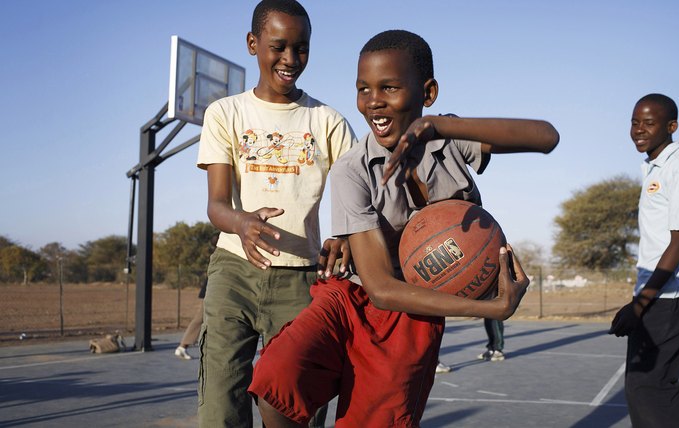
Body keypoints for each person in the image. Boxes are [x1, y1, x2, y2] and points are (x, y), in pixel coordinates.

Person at [249, 29, 559, 427]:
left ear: (427, 93)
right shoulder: (352, 169)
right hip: (352, 296)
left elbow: (546, 136)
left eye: (389, 87)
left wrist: (443, 126)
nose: (373, 101)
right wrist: (490, 308)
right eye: (363, 89)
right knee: (278, 379)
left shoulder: (450, 142)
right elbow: (378, 287)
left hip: (413, 313)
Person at [195, 1, 356, 426]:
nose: (290, 59)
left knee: (294, 405)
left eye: (300, 49)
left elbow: (355, 196)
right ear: (253, 44)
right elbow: (216, 205)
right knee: (220, 403)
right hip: (234, 270)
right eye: (278, 46)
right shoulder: (225, 113)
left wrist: (343, 236)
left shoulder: (328, 122)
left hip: (303, 276)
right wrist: (242, 221)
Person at [608, 93, 679, 427]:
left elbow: (678, 243)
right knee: (645, 386)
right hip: (659, 291)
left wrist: (639, 306)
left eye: (649, 123)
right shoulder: (656, 166)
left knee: (649, 387)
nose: (639, 129)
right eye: (635, 122)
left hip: (672, 294)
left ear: (671, 126)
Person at [174, 280, 206, 360]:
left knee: (201, 317)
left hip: (214, 290)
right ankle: (182, 347)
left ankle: (182, 347)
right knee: (201, 317)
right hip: (213, 291)